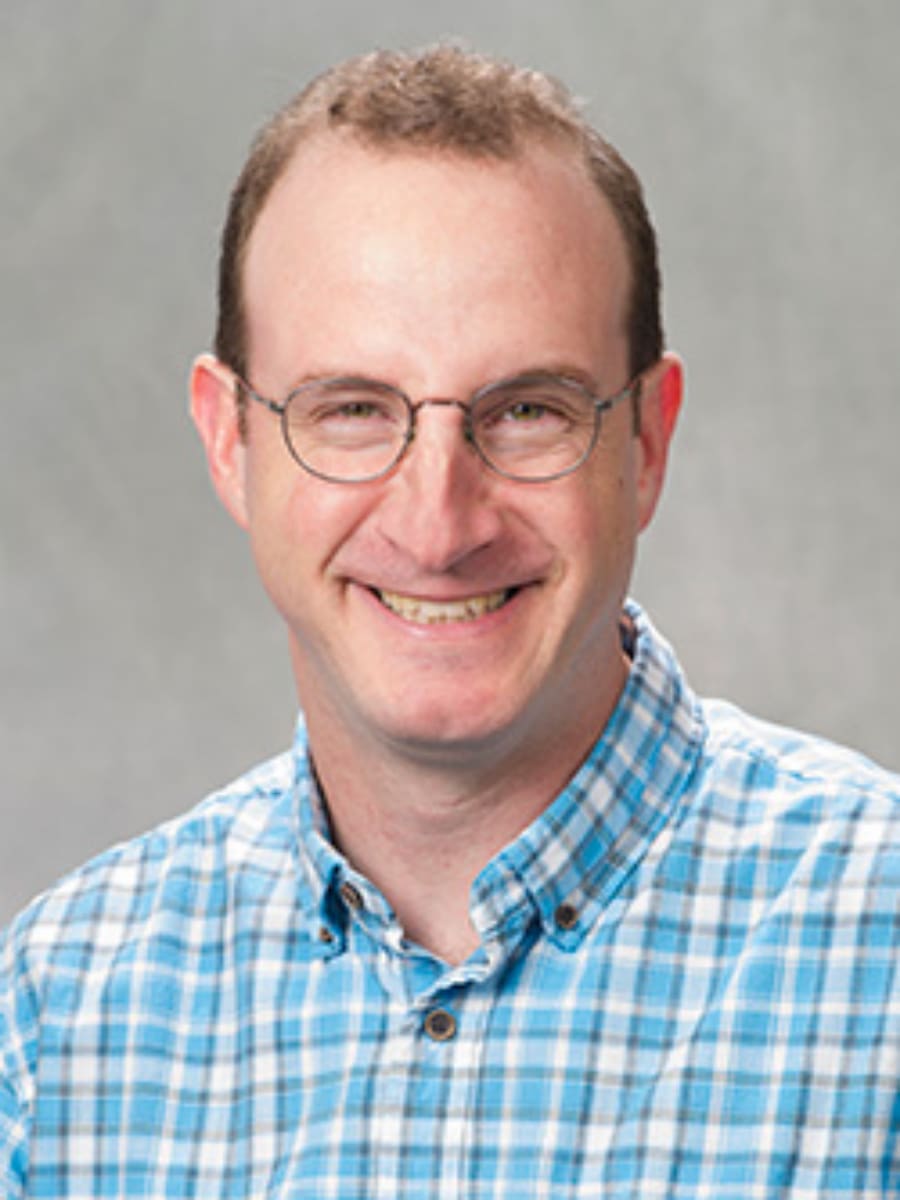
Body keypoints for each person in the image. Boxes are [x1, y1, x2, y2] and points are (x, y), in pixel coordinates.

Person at [1, 44, 897, 1198]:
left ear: (646, 440)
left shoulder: (879, 946)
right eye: (352, 410)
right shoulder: (59, 1021)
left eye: (527, 411)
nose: (438, 526)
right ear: (230, 441)